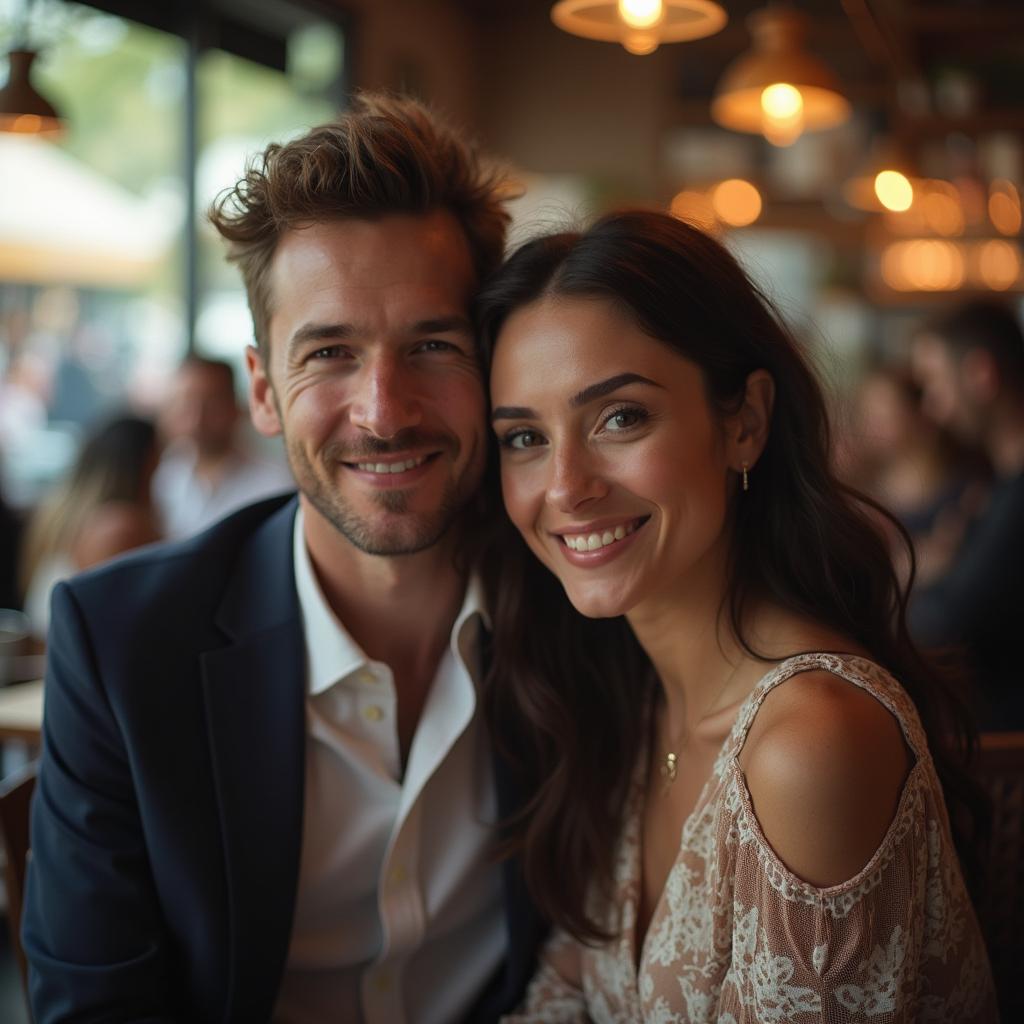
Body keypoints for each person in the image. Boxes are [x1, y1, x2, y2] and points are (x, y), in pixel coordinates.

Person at [23, 93, 544, 1023]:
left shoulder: (584, 604)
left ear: (492, 368)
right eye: (331, 353)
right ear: (264, 390)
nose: (383, 411)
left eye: (432, 344)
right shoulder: (122, 644)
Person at [477, 211, 996, 1021]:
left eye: (620, 418)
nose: (566, 487)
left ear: (745, 422)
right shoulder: (638, 703)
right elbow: (564, 992)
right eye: (523, 439)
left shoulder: (811, 743)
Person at [910, 299, 1024, 730]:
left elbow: (947, 626)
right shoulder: (996, 486)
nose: (935, 408)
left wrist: (924, 576)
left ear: (980, 374)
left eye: (936, 384)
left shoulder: (1016, 495)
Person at [19, 413, 161, 637]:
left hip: (50, 658)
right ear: (147, 462)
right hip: (74, 662)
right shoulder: (120, 527)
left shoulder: (64, 510)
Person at [153, 354, 295, 538]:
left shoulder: (276, 482)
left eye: (211, 403)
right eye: (186, 402)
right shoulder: (160, 474)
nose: (197, 418)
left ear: (237, 407)